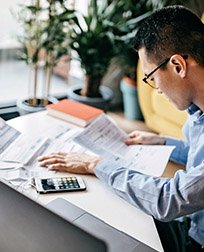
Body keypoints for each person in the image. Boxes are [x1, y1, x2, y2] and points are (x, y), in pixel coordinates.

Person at [38, 6, 204, 252]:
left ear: (178, 65)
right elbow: (197, 152)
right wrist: (161, 142)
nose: (155, 89)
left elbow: (169, 199)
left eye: (151, 78)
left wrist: (96, 165)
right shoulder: (197, 112)